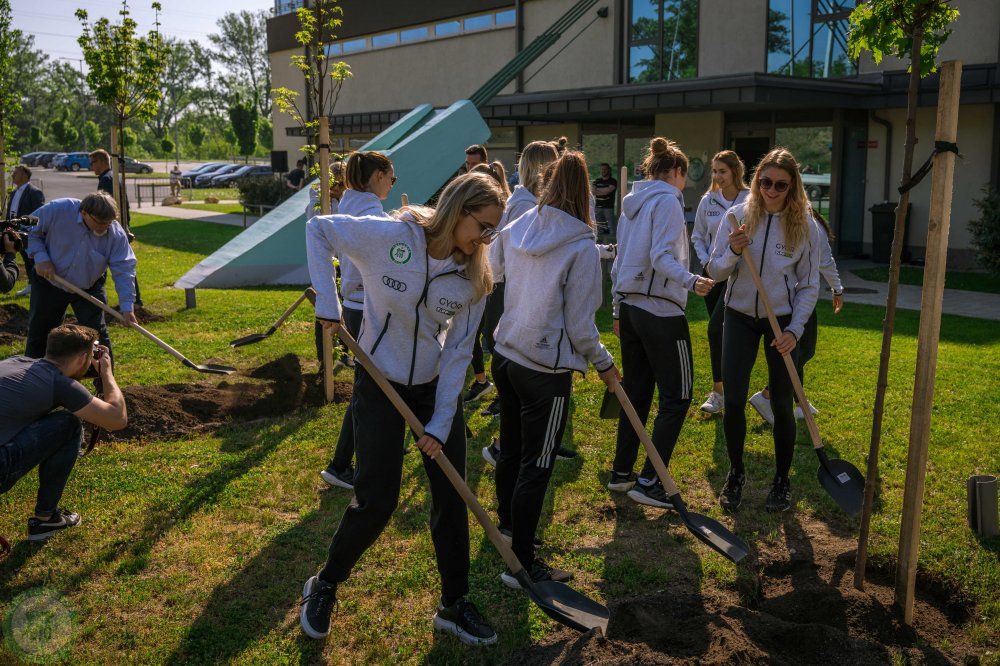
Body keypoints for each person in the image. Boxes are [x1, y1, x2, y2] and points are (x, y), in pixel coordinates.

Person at [301, 172, 504, 645]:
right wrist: (328, 304)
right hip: (378, 382)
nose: (487, 239)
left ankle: (454, 604)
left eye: (494, 230)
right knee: (377, 500)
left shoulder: (475, 276)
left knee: (451, 496)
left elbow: (457, 353)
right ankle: (325, 583)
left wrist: (440, 420)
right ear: (460, 210)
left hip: (434, 389)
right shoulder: (393, 236)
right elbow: (319, 230)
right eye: (485, 226)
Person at [490, 151, 620, 587]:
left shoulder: (517, 223)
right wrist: (604, 362)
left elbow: (492, 269)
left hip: (506, 355)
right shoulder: (580, 246)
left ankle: (509, 529)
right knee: (537, 462)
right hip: (544, 371)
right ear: (585, 193)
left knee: (511, 450)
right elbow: (582, 327)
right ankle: (523, 562)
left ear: (547, 185)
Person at [706, 147, 822, 513]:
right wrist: (732, 252)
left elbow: (808, 286)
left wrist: (796, 330)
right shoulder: (736, 217)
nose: (771, 190)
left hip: (782, 322)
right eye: (765, 181)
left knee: (783, 406)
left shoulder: (806, 226)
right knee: (736, 401)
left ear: (793, 187)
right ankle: (736, 473)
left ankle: (782, 480)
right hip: (738, 316)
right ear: (756, 180)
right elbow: (714, 271)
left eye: (780, 185)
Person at [607, 138, 713, 506]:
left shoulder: (630, 205)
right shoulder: (668, 199)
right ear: (677, 172)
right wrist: (692, 280)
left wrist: (618, 309)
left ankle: (621, 473)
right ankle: (651, 482)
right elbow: (661, 256)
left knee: (636, 393)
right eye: (685, 177)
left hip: (633, 310)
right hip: (660, 310)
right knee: (678, 396)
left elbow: (619, 263)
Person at [0, 324, 127, 542]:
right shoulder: (60, 384)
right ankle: (46, 519)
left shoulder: (15, 361)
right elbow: (117, 419)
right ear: (82, 358)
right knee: (67, 424)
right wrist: (106, 372)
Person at [318, 152, 394, 491]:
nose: (393, 183)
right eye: (392, 176)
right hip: (367, 306)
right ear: (378, 176)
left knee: (371, 385)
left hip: (353, 303)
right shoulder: (371, 214)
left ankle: (360, 457)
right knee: (369, 387)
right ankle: (340, 464)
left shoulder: (348, 205)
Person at [480, 140, 559, 463]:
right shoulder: (524, 205)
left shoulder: (529, 201)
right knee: (521, 383)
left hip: (518, 291)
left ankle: (527, 443)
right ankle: (503, 447)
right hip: (513, 293)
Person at [749, 208, 844, 424]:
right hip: (799, 298)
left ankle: (801, 403)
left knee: (796, 349)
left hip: (781, 296)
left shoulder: (785, 218)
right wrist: (837, 289)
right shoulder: (809, 222)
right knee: (805, 350)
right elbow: (825, 261)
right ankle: (767, 395)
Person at [25, 193, 138, 360]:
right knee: (40, 333)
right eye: (99, 222)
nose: (103, 227)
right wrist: (41, 257)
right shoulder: (58, 210)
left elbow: (124, 269)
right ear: (83, 212)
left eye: (108, 223)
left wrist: (127, 307)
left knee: (97, 338)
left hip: (89, 287)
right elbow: (28, 230)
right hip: (50, 283)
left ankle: (105, 382)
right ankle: (33, 381)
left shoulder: (115, 233)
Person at [691, 151, 750, 415]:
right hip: (713, 275)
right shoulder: (708, 201)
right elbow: (698, 236)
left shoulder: (750, 199)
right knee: (722, 334)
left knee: (716, 330)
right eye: (714, 171)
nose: (717, 177)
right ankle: (727, 390)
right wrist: (705, 263)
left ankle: (719, 392)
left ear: (735, 171)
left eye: (722, 171)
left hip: (738, 276)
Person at [461, 160, 511, 407]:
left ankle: (505, 395)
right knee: (470, 335)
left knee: (493, 339)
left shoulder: (504, 211)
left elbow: (502, 250)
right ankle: (482, 381)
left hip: (497, 282)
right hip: (479, 278)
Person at [90, 149, 141, 306]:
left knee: (119, 262)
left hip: (111, 225)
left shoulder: (106, 179)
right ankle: (135, 300)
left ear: (102, 161)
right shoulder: (112, 176)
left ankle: (134, 301)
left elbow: (107, 206)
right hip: (118, 223)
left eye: (93, 162)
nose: (92, 167)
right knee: (122, 261)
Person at [6, 165, 45, 297]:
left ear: (24, 175)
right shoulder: (14, 192)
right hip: (15, 231)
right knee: (24, 258)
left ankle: (38, 285)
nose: (12, 175)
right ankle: (31, 284)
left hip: (29, 232)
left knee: (32, 259)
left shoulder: (34, 192)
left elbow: (40, 214)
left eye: (15, 173)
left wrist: (31, 229)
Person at [592, 162, 618, 237]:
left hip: (608, 208)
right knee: (598, 228)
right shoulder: (597, 180)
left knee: (611, 228)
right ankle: (599, 244)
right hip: (598, 208)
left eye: (605, 169)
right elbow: (593, 191)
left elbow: (608, 191)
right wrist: (603, 191)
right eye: (602, 169)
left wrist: (598, 191)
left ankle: (613, 244)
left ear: (609, 170)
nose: (603, 171)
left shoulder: (613, 181)